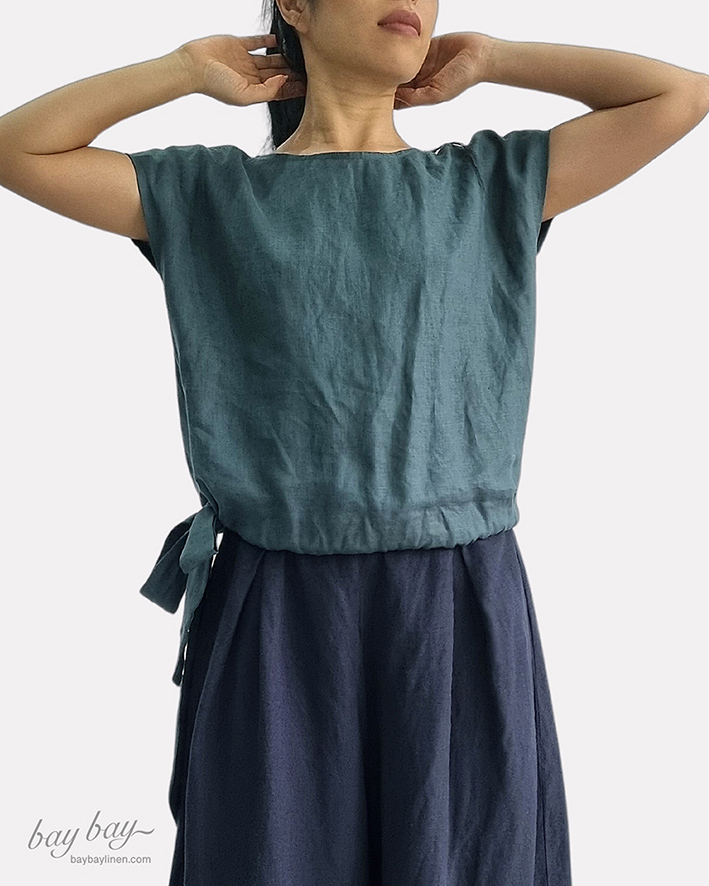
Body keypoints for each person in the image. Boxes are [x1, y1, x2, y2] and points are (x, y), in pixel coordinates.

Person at [1, 1, 707, 883]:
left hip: (453, 607)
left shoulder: (489, 182)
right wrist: (185, 70)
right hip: (277, 606)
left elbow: (680, 94)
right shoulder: (208, 194)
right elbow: (17, 148)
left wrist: (492, 58)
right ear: (295, 4)